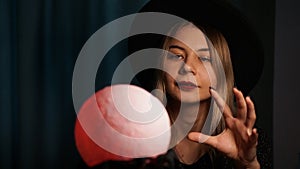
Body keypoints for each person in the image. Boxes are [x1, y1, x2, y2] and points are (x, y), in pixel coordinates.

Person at [75, 0, 272, 168]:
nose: (187, 67)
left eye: (204, 58)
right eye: (176, 55)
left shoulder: (249, 143)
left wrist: (248, 164)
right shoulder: (129, 134)